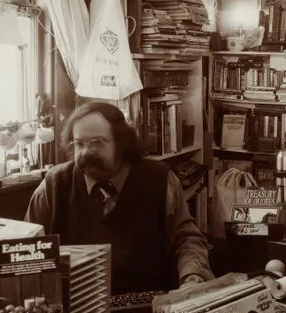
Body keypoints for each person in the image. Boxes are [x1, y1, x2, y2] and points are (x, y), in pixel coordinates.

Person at [25, 101, 212, 294]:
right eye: (79, 144)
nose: (86, 153)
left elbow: (186, 239)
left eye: (97, 142)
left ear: (121, 143)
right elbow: (28, 248)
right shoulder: (54, 185)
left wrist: (193, 279)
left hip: (147, 306)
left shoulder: (160, 180)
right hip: (76, 312)